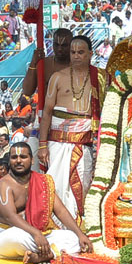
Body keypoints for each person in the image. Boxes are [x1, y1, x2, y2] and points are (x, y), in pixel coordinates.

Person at [38, 35, 103, 217]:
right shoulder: (57, 78)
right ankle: (56, 227)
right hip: (57, 142)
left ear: (90, 54)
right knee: (55, 186)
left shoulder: (102, 77)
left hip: (86, 142)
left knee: (84, 183)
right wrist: (42, 145)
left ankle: (81, 224)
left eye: (81, 52)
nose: (76, 56)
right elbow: (47, 113)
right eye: (73, 52)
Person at [0, 142, 89, 261]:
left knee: (72, 238)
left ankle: (44, 255)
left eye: (23, 157)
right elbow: (10, 217)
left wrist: (80, 234)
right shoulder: (3, 185)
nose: (18, 161)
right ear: (9, 161)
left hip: (39, 233)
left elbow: (61, 211)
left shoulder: (43, 181)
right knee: (19, 237)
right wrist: (35, 233)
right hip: (8, 233)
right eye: (14, 157)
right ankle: (48, 252)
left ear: (32, 160)